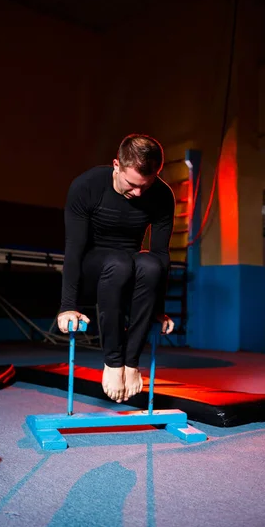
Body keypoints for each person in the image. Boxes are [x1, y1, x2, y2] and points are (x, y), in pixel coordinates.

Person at [57, 134, 175, 404]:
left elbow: (160, 254)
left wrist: (158, 310)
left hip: (129, 268)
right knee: (120, 263)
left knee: (150, 262)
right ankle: (112, 363)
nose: (138, 193)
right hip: (93, 270)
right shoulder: (86, 186)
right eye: (132, 185)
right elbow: (74, 249)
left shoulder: (161, 195)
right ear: (116, 165)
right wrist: (67, 306)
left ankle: (131, 364)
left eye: (146, 186)